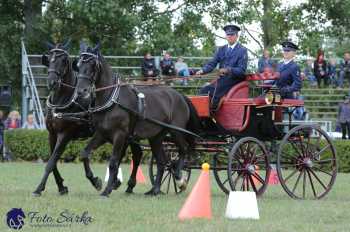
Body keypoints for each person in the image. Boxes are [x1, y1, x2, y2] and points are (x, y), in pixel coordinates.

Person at [196, 24, 248, 109]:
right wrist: (202, 71)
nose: (230, 36)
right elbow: (212, 63)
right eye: (228, 35)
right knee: (204, 90)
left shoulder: (242, 50)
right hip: (222, 79)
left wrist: (228, 70)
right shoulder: (221, 49)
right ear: (225, 36)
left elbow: (242, 70)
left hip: (235, 80)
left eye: (232, 34)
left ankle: (213, 112)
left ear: (236, 36)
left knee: (215, 91)